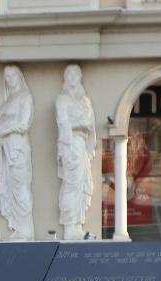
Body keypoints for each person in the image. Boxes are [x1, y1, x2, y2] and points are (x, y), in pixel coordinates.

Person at [0, 65, 35, 241]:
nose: (9, 79)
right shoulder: (9, 99)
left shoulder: (25, 97)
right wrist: (1, 132)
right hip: (7, 148)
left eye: (12, 76)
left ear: (19, 76)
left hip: (17, 148)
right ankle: (18, 227)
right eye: (6, 77)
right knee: (11, 188)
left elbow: (23, 124)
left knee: (20, 186)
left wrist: (2, 130)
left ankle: (25, 230)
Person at [56, 64, 97, 241]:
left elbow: (89, 123)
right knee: (71, 184)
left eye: (76, 74)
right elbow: (63, 123)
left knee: (82, 184)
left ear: (80, 77)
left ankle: (77, 225)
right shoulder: (62, 100)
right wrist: (79, 122)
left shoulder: (85, 100)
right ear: (65, 78)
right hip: (70, 144)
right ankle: (69, 227)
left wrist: (79, 122)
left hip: (81, 144)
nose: (72, 77)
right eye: (69, 74)